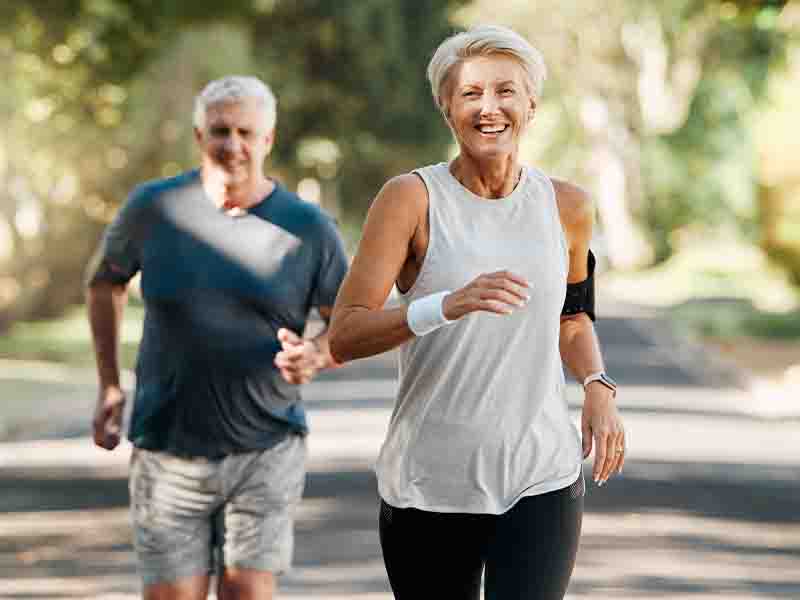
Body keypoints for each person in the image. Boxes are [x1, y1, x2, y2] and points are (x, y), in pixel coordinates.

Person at [329, 25, 626, 600]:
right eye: (470, 94)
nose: (489, 108)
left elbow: (572, 316)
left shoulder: (567, 207)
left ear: (531, 104)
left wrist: (596, 383)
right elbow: (345, 333)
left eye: (505, 91)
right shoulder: (410, 199)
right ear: (446, 108)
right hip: (428, 481)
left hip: (540, 474)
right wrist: (443, 305)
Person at [86, 75, 348, 600]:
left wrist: (316, 355)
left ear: (268, 140)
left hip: (267, 443)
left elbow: (349, 322)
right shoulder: (154, 208)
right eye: (220, 131)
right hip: (168, 446)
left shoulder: (308, 227)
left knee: (247, 591)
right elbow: (104, 283)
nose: (234, 144)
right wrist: (110, 384)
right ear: (199, 136)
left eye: (246, 132)